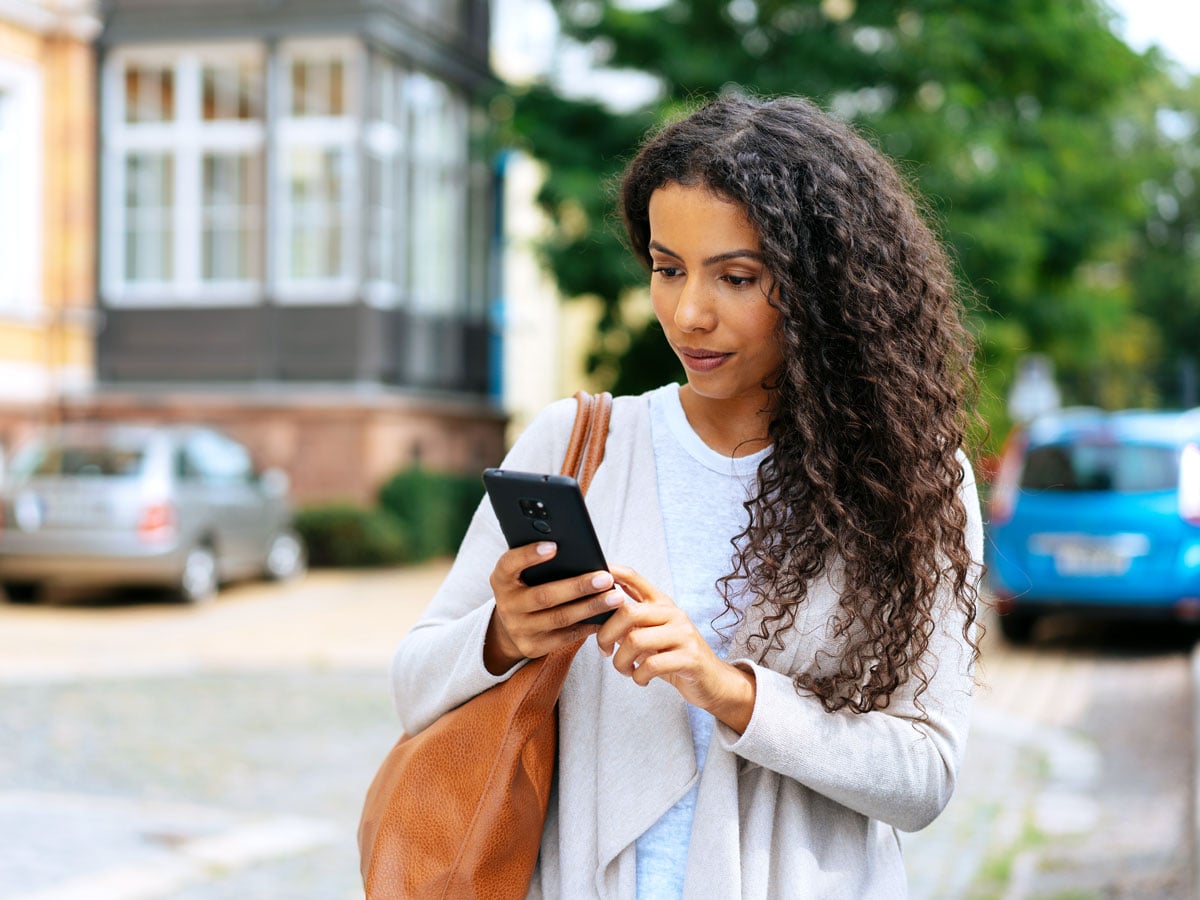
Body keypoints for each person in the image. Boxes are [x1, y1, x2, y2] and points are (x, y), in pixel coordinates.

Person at [391, 93, 984, 899]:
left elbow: (925, 777)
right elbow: (414, 683)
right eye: (667, 270)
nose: (688, 313)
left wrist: (727, 690)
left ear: (827, 287)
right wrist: (504, 636)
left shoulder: (912, 480)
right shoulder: (579, 446)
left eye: (736, 276)